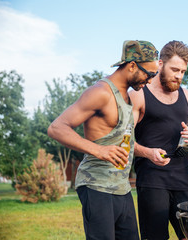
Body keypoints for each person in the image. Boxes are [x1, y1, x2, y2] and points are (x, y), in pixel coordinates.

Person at [47, 40, 159, 240]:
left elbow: (125, 142)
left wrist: (149, 153)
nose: (150, 80)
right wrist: (98, 150)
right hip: (96, 185)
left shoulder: (128, 97)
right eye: (149, 74)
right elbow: (56, 128)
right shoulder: (100, 92)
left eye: (154, 75)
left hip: (121, 187)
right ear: (132, 65)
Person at [129, 40, 188, 240]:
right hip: (152, 179)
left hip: (185, 178)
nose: (179, 76)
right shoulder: (138, 95)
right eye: (175, 70)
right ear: (160, 64)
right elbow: (123, 139)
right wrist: (148, 152)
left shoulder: (187, 96)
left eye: (183, 71)